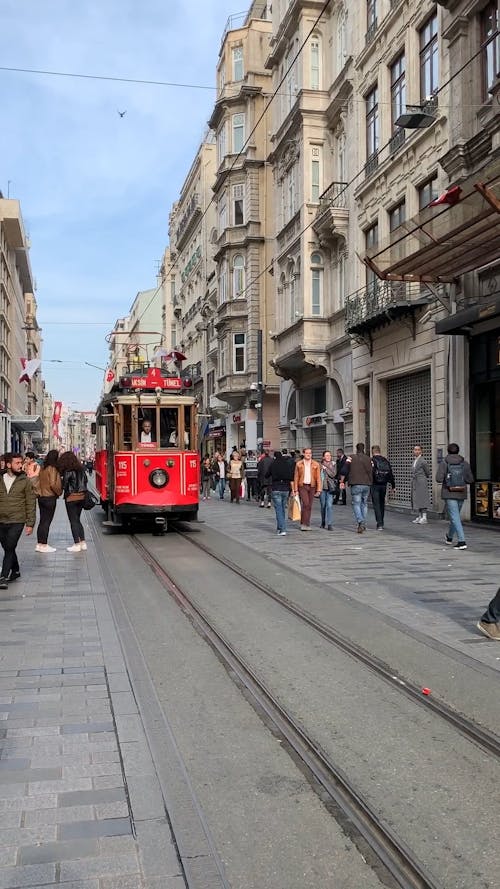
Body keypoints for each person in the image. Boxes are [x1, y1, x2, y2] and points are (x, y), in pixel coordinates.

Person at [0, 453, 36, 588]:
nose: (21, 465)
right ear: (8, 465)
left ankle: (3, 576)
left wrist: (30, 523)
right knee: (8, 547)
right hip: (1, 519)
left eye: (21, 463)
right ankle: (15, 570)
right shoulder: (0, 478)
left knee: (9, 547)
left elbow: (31, 502)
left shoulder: (25, 480)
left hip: (17, 520)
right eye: (17, 463)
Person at [435, 442, 474, 550]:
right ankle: (449, 537)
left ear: (448, 451)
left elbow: (438, 478)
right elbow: (470, 479)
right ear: (458, 451)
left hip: (449, 492)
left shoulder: (444, 463)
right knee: (455, 517)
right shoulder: (464, 463)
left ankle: (462, 541)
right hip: (461, 492)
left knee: (455, 517)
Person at [58, 451, 88, 552]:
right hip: (81, 497)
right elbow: (85, 482)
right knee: (78, 519)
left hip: (71, 498)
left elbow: (65, 485)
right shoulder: (81, 470)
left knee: (73, 521)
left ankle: (76, 543)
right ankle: (83, 542)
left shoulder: (68, 471)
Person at [33, 449, 62, 552]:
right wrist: (59, 492)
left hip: (41, 497)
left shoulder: (43, 468)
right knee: (46, 522)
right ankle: (44, 545)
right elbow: (54, 484)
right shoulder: (52, 469)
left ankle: (39, 543)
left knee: (42, 521)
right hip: (50, 497)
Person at [341, 443, 373, 533]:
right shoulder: (369, 459)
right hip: (367, 484)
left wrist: (342, 481)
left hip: (355, 483)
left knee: (356, 504)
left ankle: (360, 521)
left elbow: (344, 469)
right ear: (364, 449)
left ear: (356, 449)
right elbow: (372, 470)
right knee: (364, 503)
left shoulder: (351, 458)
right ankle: (363, 522)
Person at [293, 447, 321, 530]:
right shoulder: (299, 464)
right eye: (307, 453)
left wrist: (319, 489)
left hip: (312, 486)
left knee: (309, 506)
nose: (308, 455)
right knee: (306, 503)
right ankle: (304, 524)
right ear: (303, 454)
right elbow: (296, 477)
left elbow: (318, 477)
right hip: (302, 486)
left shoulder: (316, 464)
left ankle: (306, 523)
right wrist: (295, 490)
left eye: (310, 453)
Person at [269, 450, 295, 535]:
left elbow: (267, 474)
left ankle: (283, 529)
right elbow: (291, 476)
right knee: (283, 509)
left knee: (278, 509)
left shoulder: (273, 464)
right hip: (285, 489)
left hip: (276, 488)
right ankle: (279, 527)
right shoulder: (287, 464)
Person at [371, 445, 396, 531]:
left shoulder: (372, 460)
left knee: (376, 504)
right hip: (384, 485)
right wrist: (393, 486)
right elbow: (390, 474)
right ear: (379, 451)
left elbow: (370, 472)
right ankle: (382, 521)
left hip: (374, 484)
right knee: (382, 503)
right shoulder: (385, 460)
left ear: (372, 451)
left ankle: (379, 523)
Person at [411, 445, 430, 524]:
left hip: (421, 481)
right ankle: (420, 516)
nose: (416, 451)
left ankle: (424, 517)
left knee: (422, 498)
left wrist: (422, 477)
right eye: (415, 450)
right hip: (415, 481)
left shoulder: (423, 461)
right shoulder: (415, 460)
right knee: (417, 498)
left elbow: (428, 472)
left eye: (418, 450)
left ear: (421, 451)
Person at [319, 450, 337, 530]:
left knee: (329, 505)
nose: (328, 457)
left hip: (330, 487)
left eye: (329, 455)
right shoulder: (319, 465)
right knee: (323, 505)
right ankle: (323, 521)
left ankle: (329, 524)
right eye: (326, 455)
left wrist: (326, 468)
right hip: (322, 487)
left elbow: (333, 474)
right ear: (323, 457)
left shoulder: (334, 464)